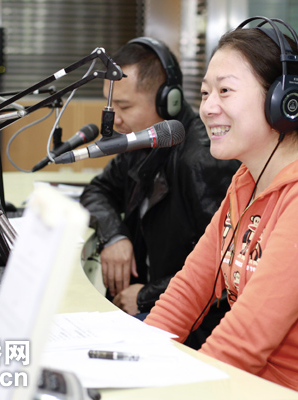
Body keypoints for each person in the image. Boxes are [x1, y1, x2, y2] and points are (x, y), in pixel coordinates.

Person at [144, 17, 298, 400]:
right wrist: (136, 358)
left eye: (225, 91)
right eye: (205, 93)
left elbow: (245, 338)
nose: (208, 108)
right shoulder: (246, 182)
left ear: (282, 102)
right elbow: (188, 291)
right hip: (255, 387)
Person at [79, 37, 240, 348]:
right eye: (112, 105)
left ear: (168, 101)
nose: (115, 118)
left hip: (194, 323)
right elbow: (98, 190)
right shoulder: (142, 141)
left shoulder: (202, 160)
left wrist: (146, 295)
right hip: (153, 302)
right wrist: (114, 235)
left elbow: (223, 266)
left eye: (125, 106)